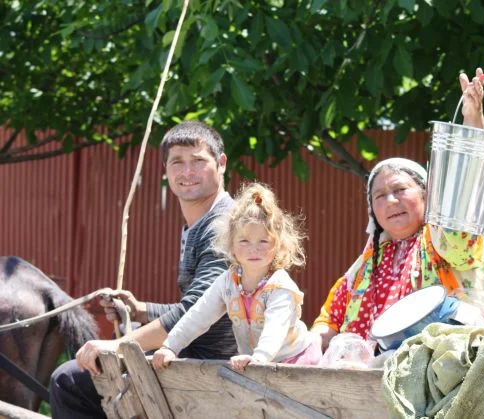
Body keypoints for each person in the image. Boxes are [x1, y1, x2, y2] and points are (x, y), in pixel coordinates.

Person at [50, 121, 238, 419]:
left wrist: (116, 345)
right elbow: (204, 306)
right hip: (194, 352)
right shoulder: (201, 224)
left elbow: (193, 314)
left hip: (211, 363)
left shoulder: (225, 228)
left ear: (221, 163)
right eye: (177, 162)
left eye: (198, 161)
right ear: (166, 169)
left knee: (69, 381)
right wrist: (140, 311)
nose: (187, 172)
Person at [311, 69, 484, 350]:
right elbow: (330, 321)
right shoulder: (366, 265)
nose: (391, 201)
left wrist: (472, 118)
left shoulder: (444, 240)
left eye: (400, 190)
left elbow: (464, 194)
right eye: (379, 196)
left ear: (426, 195)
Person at [152, 183, 321, 372]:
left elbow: (275, 328)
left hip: (293, 360)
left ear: (278, 245)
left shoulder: (279, 286)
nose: (253, 248)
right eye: (244, 241)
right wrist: (170, 346)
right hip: (254, 363)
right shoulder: (228, 282)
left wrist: (260, 357)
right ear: (231, 245)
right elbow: (199, 315)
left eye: (263, 241)